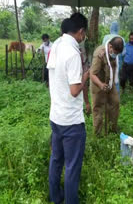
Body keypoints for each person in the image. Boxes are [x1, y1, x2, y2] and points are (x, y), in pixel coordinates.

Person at [47, 13, 89, 204]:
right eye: (84, 34)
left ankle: (55, 197)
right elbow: (74, 90)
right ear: (80, 32)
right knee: (72, 166)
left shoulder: (55, 46)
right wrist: (85, 76)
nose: (84, 37)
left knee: (56, 160)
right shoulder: (72, 53)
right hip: (71, 121)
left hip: (56, 116)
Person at [90, 37, 124, 135]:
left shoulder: (114, 53)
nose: (115, 55)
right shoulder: (99, 54)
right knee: (98, 108)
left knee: (115, 102)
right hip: (98, 84)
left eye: (117, 53)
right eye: (115, 52)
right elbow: (92, 74)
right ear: (110, 46)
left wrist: (109, 83)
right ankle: (98, 134)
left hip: (109, 82)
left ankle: (112, 130)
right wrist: (100, 85)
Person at [102, 22, 126, 94]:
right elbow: (124, 53)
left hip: (107, 63)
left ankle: (106, 95)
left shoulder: (106, 37)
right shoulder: (121, 38)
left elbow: (103, 49)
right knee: (116, 79)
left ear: (110, 28)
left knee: (106, 78)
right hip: (118, 63)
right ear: (117, 28)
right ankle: (116, 96)